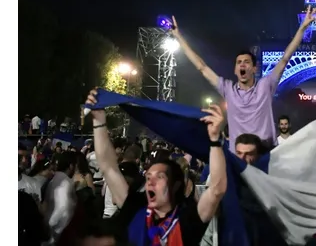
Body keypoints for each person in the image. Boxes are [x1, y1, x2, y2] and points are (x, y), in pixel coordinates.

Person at [85, 88, 227, 245]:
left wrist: (215, 140)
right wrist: (98, 120)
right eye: (148, 177)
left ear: (175, 185)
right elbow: (108, 167)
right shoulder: (135, 208)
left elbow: (216, 189)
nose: (150, 182)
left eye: (159, 177)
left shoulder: (188, 219)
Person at [170, 6, 316, 151]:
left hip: (264, 154)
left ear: (254, 68)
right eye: (239, 62)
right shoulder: (228, 89)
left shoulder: (265, 86)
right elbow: (202, 67)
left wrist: (303, 28)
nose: (242, 64)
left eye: (246, 62)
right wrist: (179, 37)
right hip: (239, 157)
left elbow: (285, 59)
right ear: (235, 70)